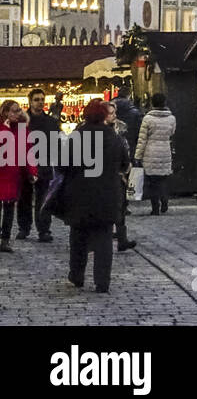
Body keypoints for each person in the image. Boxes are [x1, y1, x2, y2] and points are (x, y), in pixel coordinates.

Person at [61, 99, 128, 293]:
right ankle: (102, 281)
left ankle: (77, 275)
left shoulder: (76, 136)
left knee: (78, 236)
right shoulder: (114, 137)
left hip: (79, 194)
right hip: (107, 194)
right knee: (104, 237)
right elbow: (124, 162)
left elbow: (63, 165)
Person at [18, 89, 59, 243]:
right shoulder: (22, 122)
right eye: (36, 99)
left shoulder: (50, 122)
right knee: (24, 198)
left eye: (42, 99)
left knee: (43, 200)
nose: (40, 102)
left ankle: (43, 230)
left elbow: (56, 144)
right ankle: (24, 228)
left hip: (44, 164)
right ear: (30, 101)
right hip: (25, 165)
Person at [0, 100, 36, 253]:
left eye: (18, 110)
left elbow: (28, 152)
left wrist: (32, 171)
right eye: (13, 111)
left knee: (9, 209)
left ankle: (5, 240)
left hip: (13, 174)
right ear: (5, 112)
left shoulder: (22, 130)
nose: (17, 113)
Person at [134, 94, 177, 216]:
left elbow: (142, 139)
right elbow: (172, 132)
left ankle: (155, 208)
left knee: (152, 182)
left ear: (152, 103)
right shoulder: (171, 118)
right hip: (165, 150)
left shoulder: (147, 119)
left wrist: (138, 156)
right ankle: (164, 201)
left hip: (150, 151)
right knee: (162, 179)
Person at [104, 102, 137, 252]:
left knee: (121, 207)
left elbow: (125, 151)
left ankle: (122, 239)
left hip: (118, 176)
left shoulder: (120, 129)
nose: (114, 116)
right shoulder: (94, 132)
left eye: (114, 113)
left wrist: (125, 171)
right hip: (103, 177)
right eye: (111, 113)